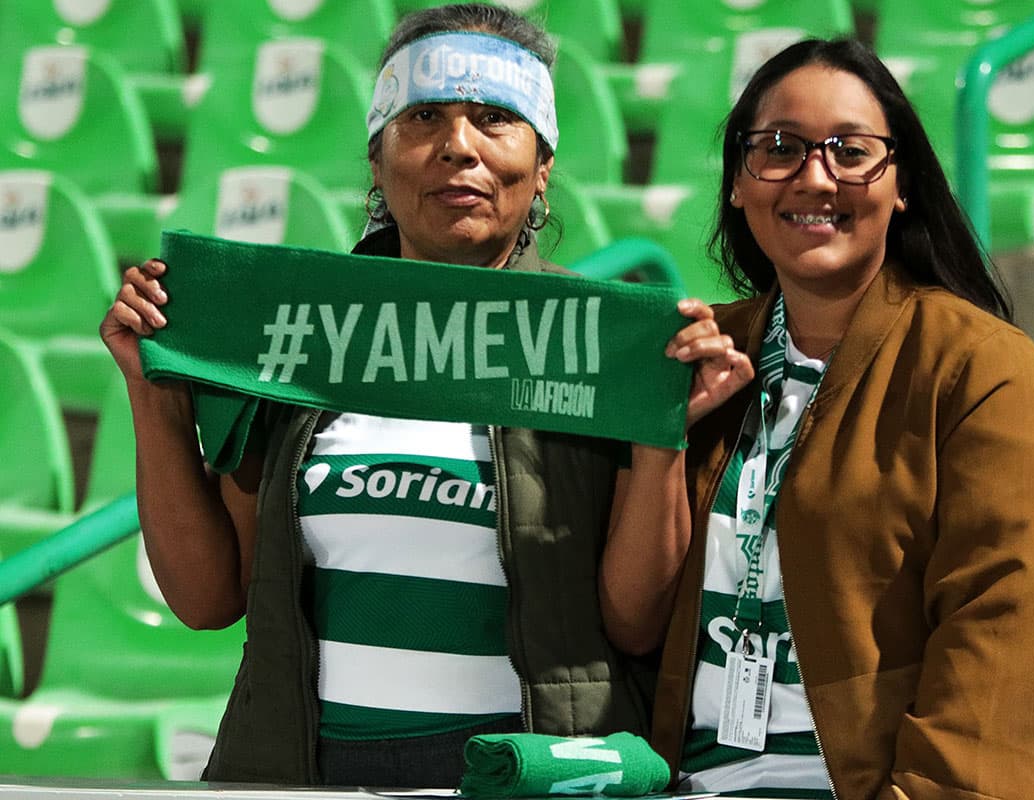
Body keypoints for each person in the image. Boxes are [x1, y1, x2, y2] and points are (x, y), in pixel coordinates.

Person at [98, 4, 735, 788]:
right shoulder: (297, 332)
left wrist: (658, 424)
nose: (457, 147)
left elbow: (634, 622)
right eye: (424, 116)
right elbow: (205, 598)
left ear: (541, 167)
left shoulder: (603, 345)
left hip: (520, 773)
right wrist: (151, 391)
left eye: (496, 120)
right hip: (306, 767)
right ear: (377, 156)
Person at [603, 38, 1034, 799]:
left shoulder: (979, 363)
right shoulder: (701, 354)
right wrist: (660, 432)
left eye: (850, 150)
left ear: (901, 185)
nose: (815, 176)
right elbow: (634, 625)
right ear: (739, 181)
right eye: (780, 148)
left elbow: (997, 631)